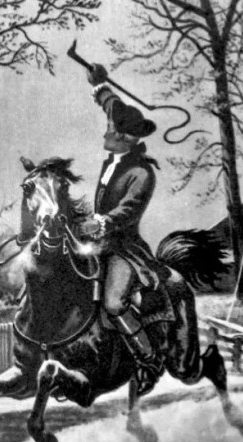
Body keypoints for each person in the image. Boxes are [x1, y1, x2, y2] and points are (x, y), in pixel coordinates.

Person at [80, 63, 168, 396]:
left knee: (114, 302)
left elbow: (128, 210)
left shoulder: (142, 173)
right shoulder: (117, 156)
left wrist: (102, 222)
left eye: (110, 128)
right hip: (99, 244)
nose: (105, 129)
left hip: (125, 250)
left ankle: (149, 359)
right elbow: (111, 106)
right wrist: (100, 84)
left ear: (123, 137)